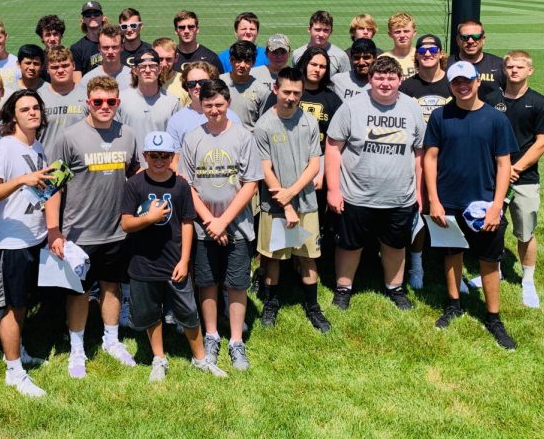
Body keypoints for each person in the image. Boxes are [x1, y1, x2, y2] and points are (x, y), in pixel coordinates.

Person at [45, 77, 140, 379]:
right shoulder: (70, 137)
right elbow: (53, 187)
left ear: (118, 103)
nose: (104, 107)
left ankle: (111, 340)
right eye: (98, 101)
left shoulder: (128, 135)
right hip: (78, 232)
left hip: (116, 230)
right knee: (79, 293)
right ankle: (77, 348)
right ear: (88, 102)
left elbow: (135, 172)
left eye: (110, 102)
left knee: (112, 286)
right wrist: (53, 229)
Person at [423, 61, 520, 349]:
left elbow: (504, 165)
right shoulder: (440, 116)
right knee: (452, 254)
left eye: (467, 81)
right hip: (448, 202)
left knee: (489, 261)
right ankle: (454, 304)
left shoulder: (495, 120)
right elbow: (430, 158)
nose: (462, 86)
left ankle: (493, 317)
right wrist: (434, 201)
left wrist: (496, 205)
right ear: (450, 86)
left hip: (484, 202)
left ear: (477, 81)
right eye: (456, 82)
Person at [120, 131, 227, 381]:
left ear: (172, 157)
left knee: (188, 312)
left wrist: (184, 260)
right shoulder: (134, 185)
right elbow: (125, 223)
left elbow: (188, 222)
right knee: (150, 313)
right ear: (145, 156)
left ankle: (200, 358)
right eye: (154, 155)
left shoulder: (180, 185)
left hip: (174, 261)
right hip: (142, 262)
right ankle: (159, 357)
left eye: (165, 156)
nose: (159, 161)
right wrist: (148, 219)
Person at [325, 56, 425, 312]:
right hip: (356, 194)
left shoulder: (412, 108)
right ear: (370, 79)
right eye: (379, 77)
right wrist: (334, 190)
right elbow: (333, 148)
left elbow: (419, 154)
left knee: (395, 244)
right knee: (350, 244)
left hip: (399, 196)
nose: (385, 83)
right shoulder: (351, 107)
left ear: (400, 81)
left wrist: (419, 191)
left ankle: (396, 288)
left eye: (391, 78)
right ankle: (343, 288)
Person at [180, 79, 262, 371]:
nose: (214, 110)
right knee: (207, 283)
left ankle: (236, 341)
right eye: (208, 105)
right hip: (205, 229)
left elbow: (251, 183)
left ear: (228, 104)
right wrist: (209, 221)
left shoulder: (243, 136)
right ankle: (212, 334)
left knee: (237, 284)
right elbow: (187, 184)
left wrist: (224, 221)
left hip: (237, 227)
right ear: (201, 106)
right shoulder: (192, 138)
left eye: (219, 105)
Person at [0, 90, 54, 398]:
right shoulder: (4, 148)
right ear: (13, 116)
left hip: (34, 237)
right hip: (10, 242)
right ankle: (13, 371)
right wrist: (22, 180)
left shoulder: (37, 146)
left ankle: (18, 351)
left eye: (36, 107)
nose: (32, 113)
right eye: (25, 109)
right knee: (12, 307)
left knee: (22, 303)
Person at [253, 68, 329, 332]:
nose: (291, 97)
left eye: (296, 93)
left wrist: (292, 193)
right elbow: (265, 169)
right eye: (286, 92)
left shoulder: (309, 122)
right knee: (272, 258)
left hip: (306, 203)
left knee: (308, 257)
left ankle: (313, 306)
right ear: (276, 89)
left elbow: (313, 166)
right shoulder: (264, 125)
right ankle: (271, 305)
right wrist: (284, 203)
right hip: (273, 205)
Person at [496, 50, 544, 308]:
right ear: (504, 69)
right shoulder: (490, 98)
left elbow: (542, 142)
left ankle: (527, 281)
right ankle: (494, 270)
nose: (514, 71)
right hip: (493, 177)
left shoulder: (539, 102)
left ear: (530, 70)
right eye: (510, 67)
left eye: (520, 67)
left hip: (524, 178)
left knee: (525, 231)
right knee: (491, 226)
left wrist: (514, 168)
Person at [399, 34, 452, 290]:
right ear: (416, 54)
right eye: (423, 50)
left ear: (441, 53)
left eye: (433, 49)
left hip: (450, 159)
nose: (428, 53)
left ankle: (454, 267)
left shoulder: (454, 84)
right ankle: (417, 265)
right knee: (419, 212)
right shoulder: (408, 86)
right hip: (417, 157)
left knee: (450, 212)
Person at [166, 61, 242, 159]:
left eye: (202, 82)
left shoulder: (231, 116)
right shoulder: (176, 121)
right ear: (186, 86)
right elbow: (173, 160)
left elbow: (241, 153)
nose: (197, 87)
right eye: (191, 83)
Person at [117, 50, 181, 150]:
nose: (147, 70)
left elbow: (176, 140)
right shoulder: (121, 100)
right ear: (135, 70)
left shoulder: (172, 102)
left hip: (161, 162)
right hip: (130, 163)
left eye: (152, 66)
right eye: (142, 66)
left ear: (159, 69)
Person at [38, 46, 87, 159]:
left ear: (73, 66)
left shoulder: (86, 95)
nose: (60, 70)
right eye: (55, 67)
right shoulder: (38, 97)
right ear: (47, 69)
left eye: (65, 66)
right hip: (48, 165)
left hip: (80, 165)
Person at [447, 19, 506, 98]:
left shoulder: (500, 65)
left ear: (483, 39)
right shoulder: (447, 65)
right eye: (465, 37)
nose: (470, 41)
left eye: (476, 36)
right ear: (458, 40)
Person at [222, 41, 270, 130]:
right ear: (231, 60)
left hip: (249, 141)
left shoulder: (262, 90)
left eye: (247, 61)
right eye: (238, 60)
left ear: (253, 62)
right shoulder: (219, 83)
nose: (242, 65)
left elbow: (264, 124)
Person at [173, 10, 224, 74]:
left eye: (191, 27)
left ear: (197, 29)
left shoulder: (211, 58)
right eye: (182, 27)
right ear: (176, 31)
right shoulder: (169, 58)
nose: (186, 31)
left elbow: (219, 83)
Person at [70, 0, 106, 78]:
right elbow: (77, 80)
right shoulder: (76, 48)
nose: (92, 17)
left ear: (102, 17)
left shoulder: (113, 43)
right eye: (87, 14)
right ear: (83, 20)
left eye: (96, 14)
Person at [154, 37, 189, 106]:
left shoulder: (186, 82)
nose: (164, 64)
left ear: (176, 57)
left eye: (168, 59)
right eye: (160, 59)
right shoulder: (143, 82)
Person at [383, 12, 418, 80]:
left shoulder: (423, 56)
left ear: (414, 33)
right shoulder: (383, 59)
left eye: (406, 31)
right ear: (390, 34)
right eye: (397, 32)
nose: (402, 35)